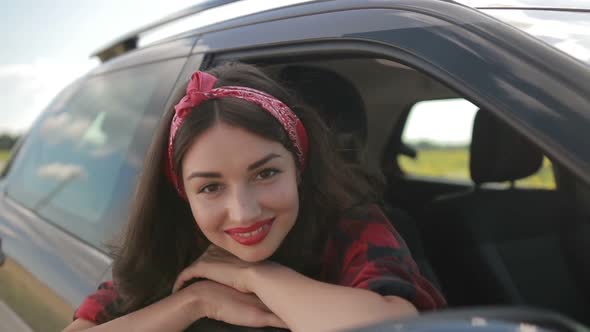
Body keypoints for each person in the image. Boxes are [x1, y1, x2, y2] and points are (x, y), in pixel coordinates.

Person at [63, 62, 445, 332]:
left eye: (266, 173)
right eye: (210, 187)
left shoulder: (351, 225)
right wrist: (195, 301)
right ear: (183, 194)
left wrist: (254, 275)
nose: (244, 213)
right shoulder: (167, 245)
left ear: (298, 166)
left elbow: (396, 325)